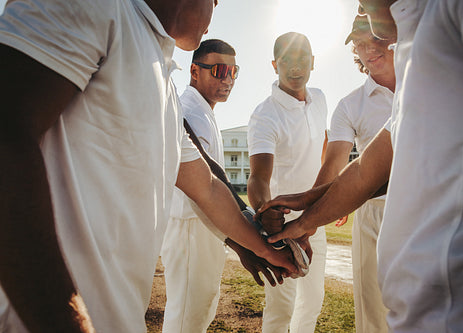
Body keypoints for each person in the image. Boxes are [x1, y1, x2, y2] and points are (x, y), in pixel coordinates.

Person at [0, 1, 297, 332]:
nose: (214, 11)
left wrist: (267, 248)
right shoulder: (99, 7)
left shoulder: (166, 82)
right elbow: (7, 133)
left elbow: (208, 187)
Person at [259, 0, 463, 331]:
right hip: (423, 305)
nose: (360, 16)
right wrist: (306, 217)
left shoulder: (458, 8)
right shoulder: (410, 49)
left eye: (361, 4)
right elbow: (364, 172)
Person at [314, 15, 395, 332]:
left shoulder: (425, 85)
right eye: (360, 44)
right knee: (373, 313)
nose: (368, 49)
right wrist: (316, 212)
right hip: (371, 214)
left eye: (375, 39)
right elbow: (332, 165)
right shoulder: (349, 105)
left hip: (426, 207)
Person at [247, 32, 327, 333]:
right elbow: (258, 177)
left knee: (313, 302)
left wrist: (332, 197)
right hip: (283, 229)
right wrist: (265, 213)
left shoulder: (319, 98)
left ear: (313, 62)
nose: (296, 68)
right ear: (274, 64)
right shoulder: (264, 115)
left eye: (302, 59)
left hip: (316, 220)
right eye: (287, 61)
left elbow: (324, 146)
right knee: (281, 308)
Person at [160, 38, 237, 333]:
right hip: (191, 225)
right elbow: (200, 188)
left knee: (200, 310)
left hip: (204, 224)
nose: (228, 79)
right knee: (186, 318)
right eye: (219, 70)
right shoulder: (190, 111)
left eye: (233, 71)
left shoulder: (205, 110)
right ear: (195, 71)